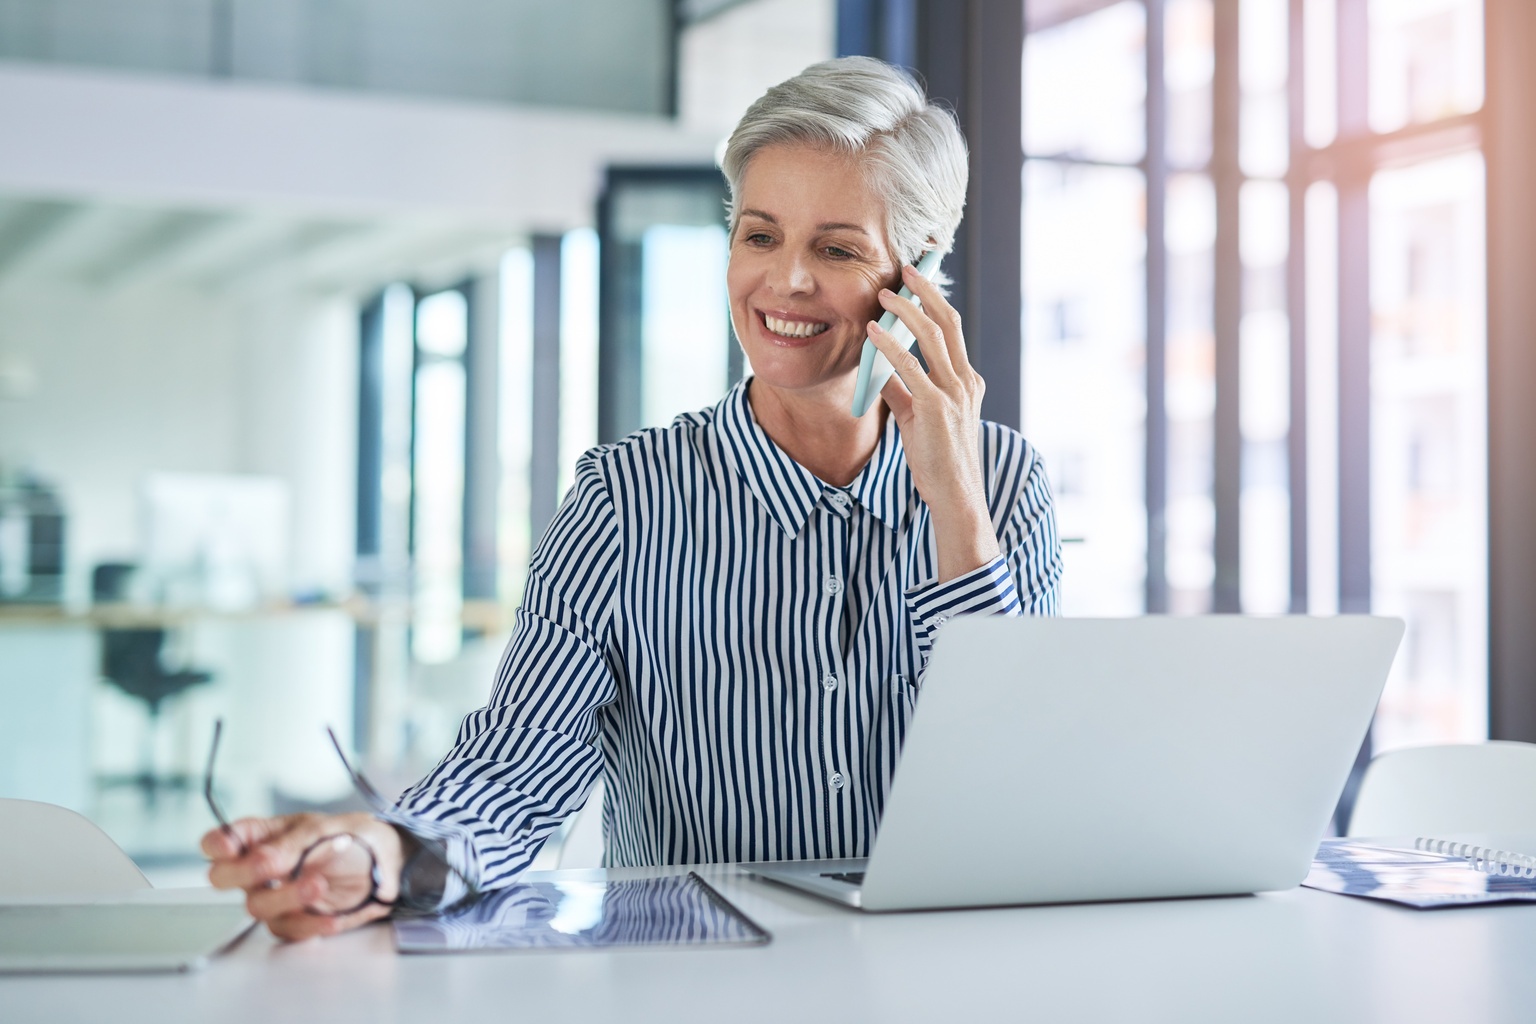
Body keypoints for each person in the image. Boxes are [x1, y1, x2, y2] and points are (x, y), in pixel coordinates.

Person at [203, 55, 1062, 940]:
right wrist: (383, 857)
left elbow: (1022, 789)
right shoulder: (627, 500)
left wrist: (955, 503)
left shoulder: (1006, 487)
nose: (787, 281)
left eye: (836, 249)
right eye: (759, 235)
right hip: (700, 984)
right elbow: (511, 775)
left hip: (947, 977)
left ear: (917, 275)